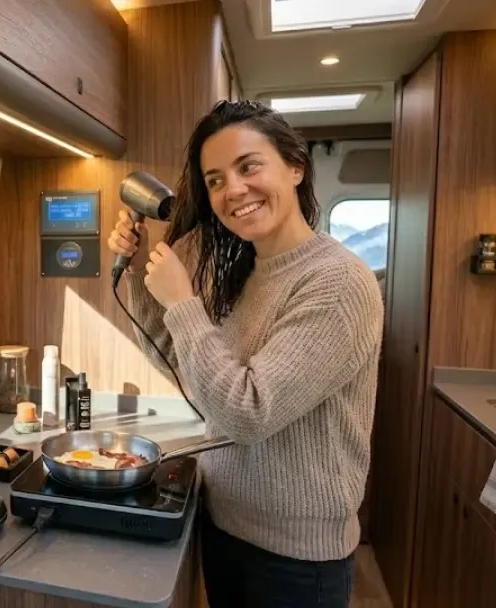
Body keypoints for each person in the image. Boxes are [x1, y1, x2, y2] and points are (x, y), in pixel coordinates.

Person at [106, 100, 384, 608]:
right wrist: (140, 272)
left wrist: (183, 301)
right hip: (226, 526)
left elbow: (247, 412)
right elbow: (179, 358)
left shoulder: (339, 282)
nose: (233, 189)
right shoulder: (248, 272)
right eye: (214, 180)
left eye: (248, 166)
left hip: (297, 562)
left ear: (295, 166)